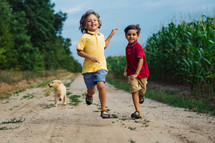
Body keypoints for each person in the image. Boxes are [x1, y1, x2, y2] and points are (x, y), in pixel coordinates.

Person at [77, 10, 118, 118]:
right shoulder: (84, 37)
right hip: (88, 69)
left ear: (99, 23)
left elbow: (104, 45)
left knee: (101, 85)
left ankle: (103, 109)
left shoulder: (101, 36)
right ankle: (89, 95)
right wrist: (90, 57)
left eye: (95, 20)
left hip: (101, 66)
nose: (93, 22)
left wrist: (111, 34)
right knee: (92, 90)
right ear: (85, 25)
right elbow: (79, 51)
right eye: (89, 21)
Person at [123, 24, 149, 119]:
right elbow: (128, 60)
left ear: (137, 36)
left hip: (142, 73)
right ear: (126, 36)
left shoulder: (138, 47)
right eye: (129, 34)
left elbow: (141, 60)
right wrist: (126, 71)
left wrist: (137, 73)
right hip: (131, 74)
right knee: (134, 91)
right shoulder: (127, 48)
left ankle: (142, 96)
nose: (131, 36)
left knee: (142, 90)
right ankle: (137, 111)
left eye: (134, 34)